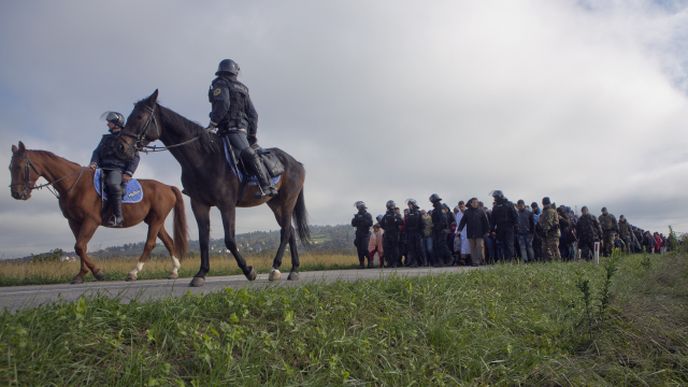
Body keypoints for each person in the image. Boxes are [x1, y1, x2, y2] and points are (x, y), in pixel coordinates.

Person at [206, 58, 276, 197]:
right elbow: (253, 115)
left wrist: (213, 123)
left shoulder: (220, 83)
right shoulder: (243, 89)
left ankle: (266, 185)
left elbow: (223, 105)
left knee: (248, 153)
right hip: (238, 130)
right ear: (235, 72)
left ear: (221, 71)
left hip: (229, 130)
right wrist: (252, 135)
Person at [90, 111, 140, 227]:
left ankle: (118, 217)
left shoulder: (127, 138)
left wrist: (128, 172)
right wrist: (93, 163)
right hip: (101, 168)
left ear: (116, 123)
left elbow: (135, 157)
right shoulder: (105, 138)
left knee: (112, 184)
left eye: (109, 122)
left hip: (116, 169)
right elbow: (96, 152)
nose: (107, 124)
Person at [457, 197, 490, 266]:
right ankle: (475, 262)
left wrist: (487, 231)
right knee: (472, 248)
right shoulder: (467, 212)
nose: (475, 204)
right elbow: (463, 222)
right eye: (474, 202)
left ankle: (482, 260)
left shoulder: (481, 211)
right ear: (471, 203)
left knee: (480, 246)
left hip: (479, 232)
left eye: (476, 202)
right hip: (470, 232)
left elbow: (485, 222)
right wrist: (459, 230)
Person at [490, 190, 518, 261]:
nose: (495, 198)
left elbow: (514, 215)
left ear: (500, 196)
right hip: (500, 228)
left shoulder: (509, 204)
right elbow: (493, 219)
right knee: (502, 244)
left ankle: (511, 259)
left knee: (509, 244)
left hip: (509, 227)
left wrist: (516, 225)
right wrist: (492, 229)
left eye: (495, 197)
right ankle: (505, 259)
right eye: (494, 197)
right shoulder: (495, 207)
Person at [429, 193, 452, 266]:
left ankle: (450, 258)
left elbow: (443, 220)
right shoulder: (436, 208)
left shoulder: (440, 207)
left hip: (442, 230)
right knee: (437, 246)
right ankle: (440, 261)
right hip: (436, 230)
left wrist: (438, 227)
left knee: (443, 246)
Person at [380, 200, 403, 267]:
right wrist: (386, 228)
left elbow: (401, 222)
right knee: (387, 248)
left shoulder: (396, 214)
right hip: (387, 234)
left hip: (395, 234)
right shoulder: (386, 215)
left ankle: (395, 262)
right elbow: (382, 224)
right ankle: (389, 262)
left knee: (395, 248)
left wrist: (395, 221)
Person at [351, 201, 373, 268]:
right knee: (359, 250)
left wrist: (363, 219)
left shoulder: (367, 215)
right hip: (358, 234)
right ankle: (361, 263)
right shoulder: (357, 215)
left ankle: (370, 261)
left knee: (365, 249)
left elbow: (370, 223)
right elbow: (353, 224)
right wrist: (356, 219)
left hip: (366, 233)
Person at [404, 199, 426, 267]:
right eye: (408, 205)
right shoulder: (408, 214)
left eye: (410, 204)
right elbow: (406, 225)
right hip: (410, 233)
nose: (409, 206)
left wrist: (420, 231)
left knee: (419, 248)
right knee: (412, 248)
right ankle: (414, 262)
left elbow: (422, 224)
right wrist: (407, 232)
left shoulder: (418, 213)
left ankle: (423, 262)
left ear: (413, 204)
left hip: (417, 233)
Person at [538, 197, 561, 261]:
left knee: (554, 248)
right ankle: (550, 262)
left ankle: (557, 262)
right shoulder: (543, 213)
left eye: (546, 203)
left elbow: (555, 223)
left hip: (552, 233)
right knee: (545, 250)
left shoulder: (552, 211)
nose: (545, 205)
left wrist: (550, 229)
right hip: (546, 234)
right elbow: (541, 223)